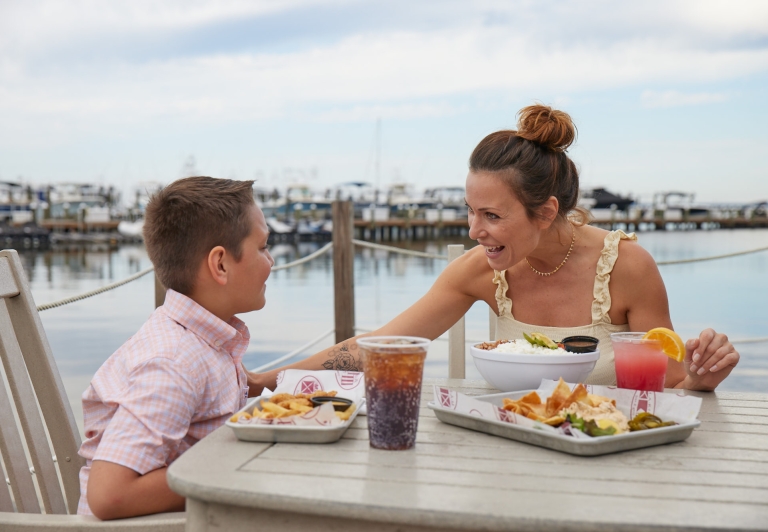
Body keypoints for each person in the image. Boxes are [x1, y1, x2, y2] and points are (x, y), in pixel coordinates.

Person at [248, 104, 739, 395]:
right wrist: (262, 381)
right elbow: (381, 345)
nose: (474, 231)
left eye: (493, 216)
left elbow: (673, 381)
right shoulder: (480, 270)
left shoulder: (627, 266)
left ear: (545, 212)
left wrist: (702, 375)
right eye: (470, 211)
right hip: (508, 458)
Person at [78, 176, 274, 519]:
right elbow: (110, 495)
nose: (270, 261)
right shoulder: (174, 362)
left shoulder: (205, 343)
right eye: (262, 247)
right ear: (221, 264)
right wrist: (239, 470)